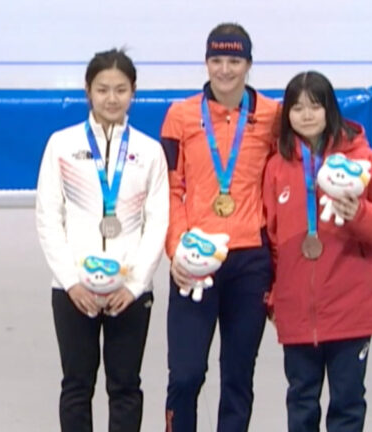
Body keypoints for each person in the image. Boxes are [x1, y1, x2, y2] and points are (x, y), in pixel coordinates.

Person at [262, 71, 372, 432]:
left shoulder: (364, 162)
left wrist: (360, 215)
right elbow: (268, 237)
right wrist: (272, 297)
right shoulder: (276, 168)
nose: (307, 115)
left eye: (315, 106)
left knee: (347, 402)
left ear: (330, 109)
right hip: (298, 310)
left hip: (352, 308)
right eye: (297, 108)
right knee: (301, 400)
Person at [35, 49, 169, 432]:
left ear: (134, 93)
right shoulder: (61, 145)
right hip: (73, 289)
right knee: (77, 385)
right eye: (103, 89)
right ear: (88, 91)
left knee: (126, 386)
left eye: (121, 89)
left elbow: (157, 221)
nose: (112, 98)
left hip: (129, 291)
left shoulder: (149, 152)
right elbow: (48, 216)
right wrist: (70, 281)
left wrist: (136, 284)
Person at [159, 22, 280, 432]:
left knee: (237, 376)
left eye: (234, 61)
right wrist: (176, 250)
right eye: (216, 60)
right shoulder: (180, 115)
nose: (225, 70)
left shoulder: (272, 115)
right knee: (186, 374)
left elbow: (283, 185)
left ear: (249, 64)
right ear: (206, 62)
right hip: (194, 259)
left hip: (250, 261)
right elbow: (171, 190)